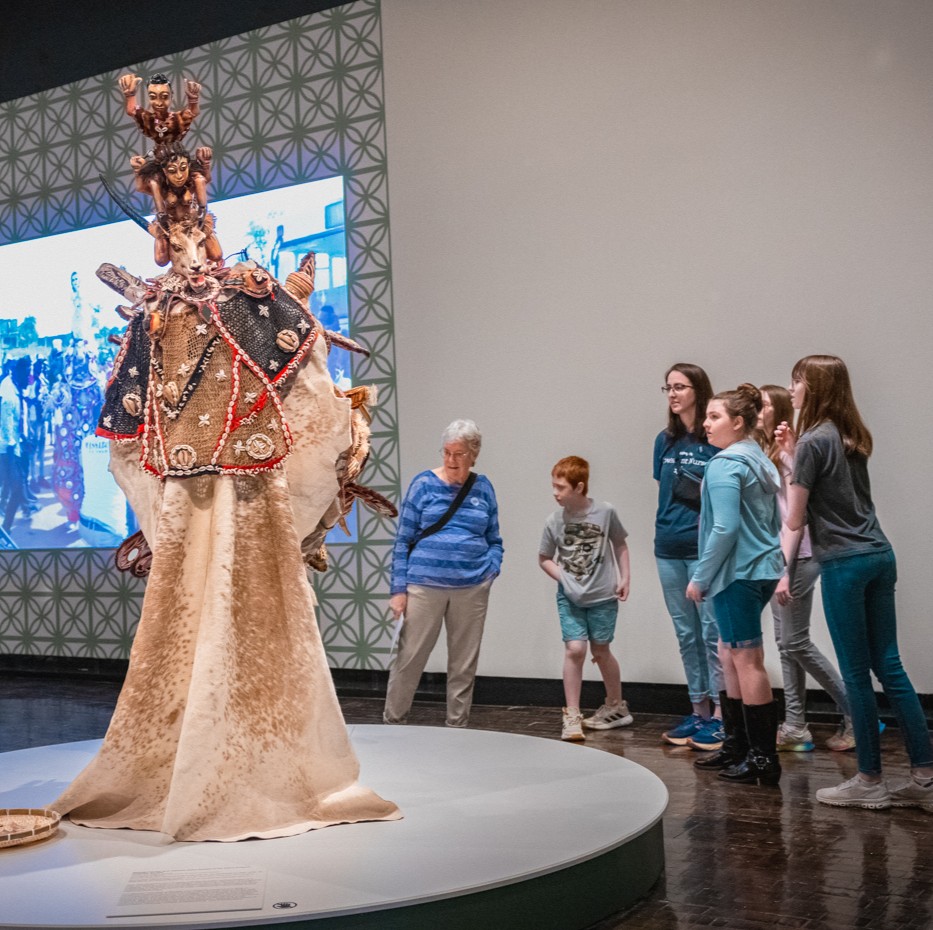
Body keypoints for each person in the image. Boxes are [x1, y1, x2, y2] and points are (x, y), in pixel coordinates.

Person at [778, 355, 933, 809]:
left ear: (816, 387)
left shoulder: (812, 440)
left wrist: (791, 466)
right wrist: (793, 459)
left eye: (798, 381)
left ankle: (869, 781)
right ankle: (925, 778)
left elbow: (795, 517)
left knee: (855, 673)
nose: (792, 389)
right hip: (879, 555)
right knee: (891, 667)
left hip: (844, 565)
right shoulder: (850, 437)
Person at [687, 384, 784, 786]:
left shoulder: (726, 465)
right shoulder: (758, 457)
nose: (706, 425)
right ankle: (737, 746)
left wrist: (700, 576)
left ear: (738, 422)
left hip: (738, 573)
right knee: (729, 654)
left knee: (745, 659)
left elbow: (725, 528)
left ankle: (763, 758)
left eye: (715, 417)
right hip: (761, 570)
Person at [384, 419, 503, 728]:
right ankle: (394, 724)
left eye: (459, 453)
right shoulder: (423, 484)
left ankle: (457, 727)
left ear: (474, 454)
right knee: (410, 658)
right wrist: (398, 590)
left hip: (472, 585)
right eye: (447, 452)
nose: (451, 460)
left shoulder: (483, 487)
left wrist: (491, 568)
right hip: (424, 585)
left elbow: (494, 538)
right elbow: (403, 540)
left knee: (463, 663)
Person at [758, 384, 854, 752]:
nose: (759, 411)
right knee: (786, 646)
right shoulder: (771, 452)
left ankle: (857, 714)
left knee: (794, 641)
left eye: (765, 405)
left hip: (799, 555)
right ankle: (796, 724)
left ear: (779, 409)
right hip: (781, 557)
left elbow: (794, 519)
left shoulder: (789, 457)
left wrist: (783, 571)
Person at [653, 363, 725, 750]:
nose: (673, 394)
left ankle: (721, 716)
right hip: (667, 547)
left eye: (680, 387)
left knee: (712, 633)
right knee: (687, 634)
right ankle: (698, 710)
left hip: (703, 550)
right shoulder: (663, 441)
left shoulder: (714, 440)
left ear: (699, 390)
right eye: (667, 388)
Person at [539, 455, 632, 741]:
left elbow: (619, 543)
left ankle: (616, 706)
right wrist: (564, 578)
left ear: (579, 487)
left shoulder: (605, 512)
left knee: (601, 651)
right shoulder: (554, 521)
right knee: (575, 649)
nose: (555, 493)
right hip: (571, 598)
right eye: (553, 486)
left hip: (603, 596)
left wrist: (625, 577)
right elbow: (544, 558)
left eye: (561, 487)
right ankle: (572, 714)